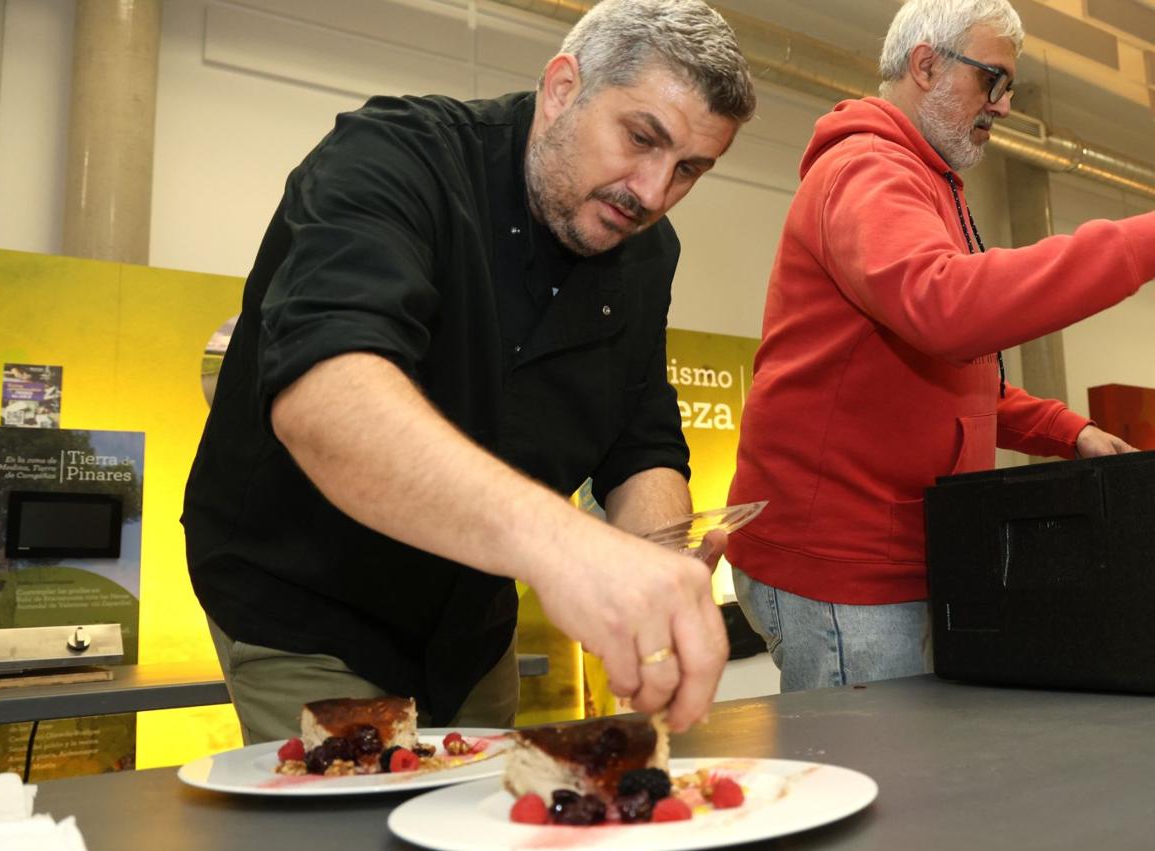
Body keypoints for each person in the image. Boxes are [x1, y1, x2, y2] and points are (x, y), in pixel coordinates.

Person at [182, 0, 757, 743]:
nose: (651, 193)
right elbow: (327, 396)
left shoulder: (648, 252)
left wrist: (663, 564)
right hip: (308, 601)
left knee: (488, 813)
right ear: (561, 88)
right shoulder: (393, 158)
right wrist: (567, 548)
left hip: (471, 624)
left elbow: (638, 441)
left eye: (688, 170)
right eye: (640, 138)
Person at [727, 0, 1154, 693]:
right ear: (926, 64)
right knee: (890, 795)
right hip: (847, 565)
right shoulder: (868, 170)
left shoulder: (925, 183)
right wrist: (1143, 241)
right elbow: (947, 309)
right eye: (993, 81)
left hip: (905, 557)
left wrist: (1068, 430)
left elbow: (960, 372)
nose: (1005, 106)